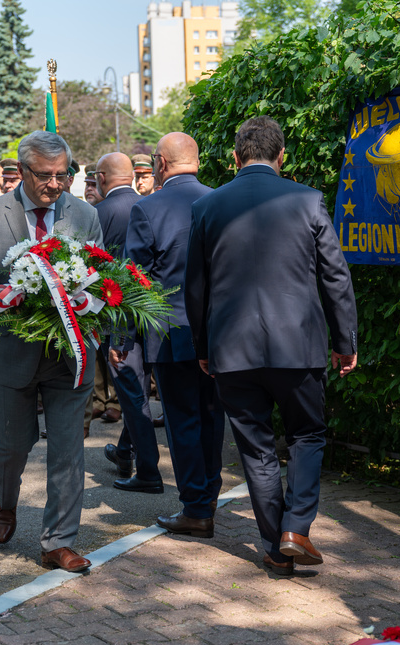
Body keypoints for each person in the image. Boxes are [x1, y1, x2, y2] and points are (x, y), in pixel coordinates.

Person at [185, 116, 358, 576]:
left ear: (235, 157)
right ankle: (295, 528)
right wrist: (345, 340)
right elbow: (335, 277)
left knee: (256, 446)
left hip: (231, 348)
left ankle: (276, 550)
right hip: (297, 346)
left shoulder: (207, 206)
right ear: (283, 156)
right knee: (307, 434)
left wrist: (203, 346)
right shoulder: (308, 200)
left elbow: (195, 288)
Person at [0, 131, 102, 573]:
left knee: (68, 451)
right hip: (10, 355)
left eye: (62, 175)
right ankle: (7, 499)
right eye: (44, 175)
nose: (54, 184)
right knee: (11, 447)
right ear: (21, 171)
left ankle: (58, 542)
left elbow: (102, 278)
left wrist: (89, 300)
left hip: (69, 356)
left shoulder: (86, 215)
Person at [115, 133, 228, 525]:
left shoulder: (148, 208)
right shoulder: (221, 200)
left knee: (182, 421)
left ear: (161, 163)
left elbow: (133, 279)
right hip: (218, 331)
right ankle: (208, 496)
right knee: (212, 418)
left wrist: (121, 337)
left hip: (171, 331)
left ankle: (196, 506)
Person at [88, 153, 159, 492]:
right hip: (153, 313)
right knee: (138, 390)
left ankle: (148, 471)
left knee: (132, 394)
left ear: (101, 178)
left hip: (117, 317)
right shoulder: (151, 205)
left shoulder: (97, 213)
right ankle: (125, 450)